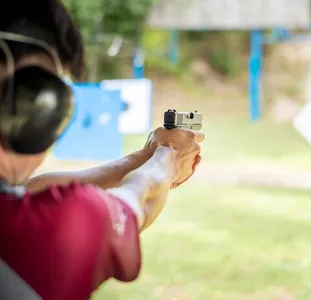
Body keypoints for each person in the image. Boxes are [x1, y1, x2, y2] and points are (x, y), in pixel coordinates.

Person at [0, 1, 204, 300]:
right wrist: (168, 159)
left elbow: (26, 195)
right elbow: (134, 203)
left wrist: (141, 158)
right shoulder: (51, 230)